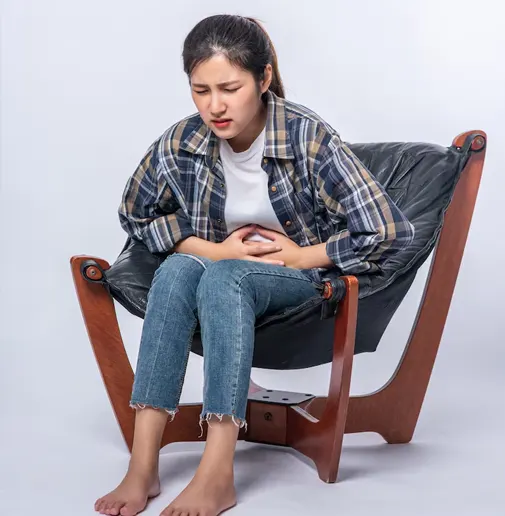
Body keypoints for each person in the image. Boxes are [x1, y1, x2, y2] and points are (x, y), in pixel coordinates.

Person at [94, 13, 415, 516]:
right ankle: (143, 464)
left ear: (263, 79)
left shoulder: (307, 137)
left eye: (230, 88)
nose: (214, 106)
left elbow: (390, 231)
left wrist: (300, 255)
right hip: (220, 273)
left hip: (303, 282)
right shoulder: (182, 143)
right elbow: (135, 215)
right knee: (177, 270)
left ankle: (217, 471)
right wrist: (213, 249)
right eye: (200, 90)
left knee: (226, 277)